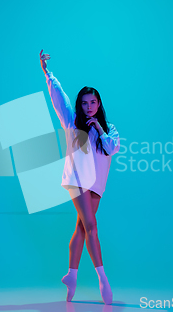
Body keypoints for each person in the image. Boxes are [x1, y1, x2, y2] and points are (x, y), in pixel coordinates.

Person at [39, 49, 121, 305]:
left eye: (92, 103)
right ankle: (103, 280)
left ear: (99, 104)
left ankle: (71, 276)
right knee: (92, 226)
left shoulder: (109, 129)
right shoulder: (71, 120)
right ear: (79, 105)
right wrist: (46, 72)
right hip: (76, 180)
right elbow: (58, 97)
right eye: (84, 103)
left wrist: (98, 127)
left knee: (82, 228)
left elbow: (111, 149)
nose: (88, 107)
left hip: (97, 185)